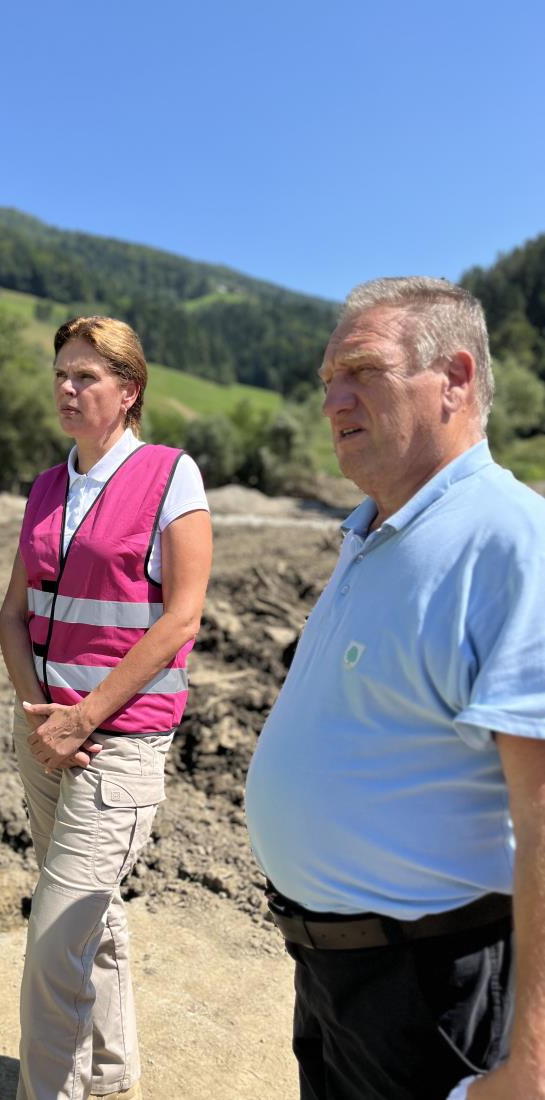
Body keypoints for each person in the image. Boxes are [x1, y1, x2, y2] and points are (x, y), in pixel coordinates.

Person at [245, 276, 545, 1100]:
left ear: (453, 378)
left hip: (429, 990)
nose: (331, 401)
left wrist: (531, 1066)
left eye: (361, 372)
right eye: (326, 381)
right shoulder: (377, 531)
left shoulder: (509, 542)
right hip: (339, 975)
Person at [0, 315, 212, 1100]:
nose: (66, 387)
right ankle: (111, 1074)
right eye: (60, 372)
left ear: (128, 391)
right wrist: (37, 714)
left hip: (114, 744)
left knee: (56, 936)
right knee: (90, 913)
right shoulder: (47, 486)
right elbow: (12, 614)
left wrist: (81, 718)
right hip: (44, 735)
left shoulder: (169, 476)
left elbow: (180, 619)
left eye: (85, 375)